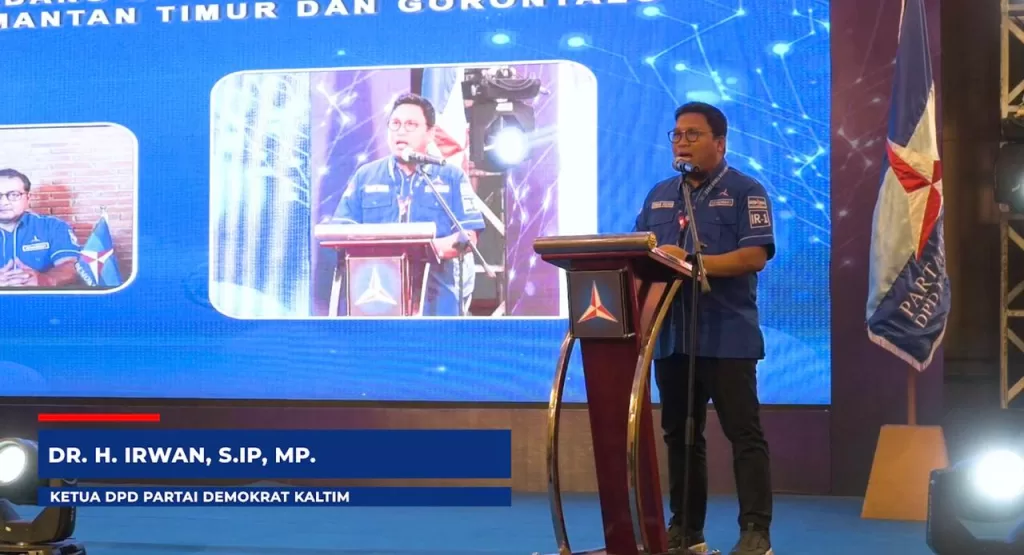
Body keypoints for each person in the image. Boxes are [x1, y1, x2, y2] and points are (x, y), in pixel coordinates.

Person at [633, 102, 776, 555]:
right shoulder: (659, 195)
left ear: (720, 142)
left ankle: (755, 531)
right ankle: (686, 530)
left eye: (693, 134)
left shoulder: (746, 191)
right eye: (677, 135)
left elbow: (754, 256)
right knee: (681, 436)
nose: (682, 142)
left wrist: (692, 262)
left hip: (727, 335)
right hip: (673, 337)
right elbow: (638, 255)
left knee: (743, 434)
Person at [333, 93, 485, 316]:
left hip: (436, 302)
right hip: (375, 299)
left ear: (430, 133)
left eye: (411, 125)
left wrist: (426, 250)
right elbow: (341, 232)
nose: (401, 131)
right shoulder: (365, 176)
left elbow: (468, 235)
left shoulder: (451, 176)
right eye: (395, 124)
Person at [0, 168, 81, 288]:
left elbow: (70, 266)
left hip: (42, 298)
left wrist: (45, 280)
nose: (3, 202)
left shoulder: (53, 226)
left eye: (14, 195)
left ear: (28, 198)